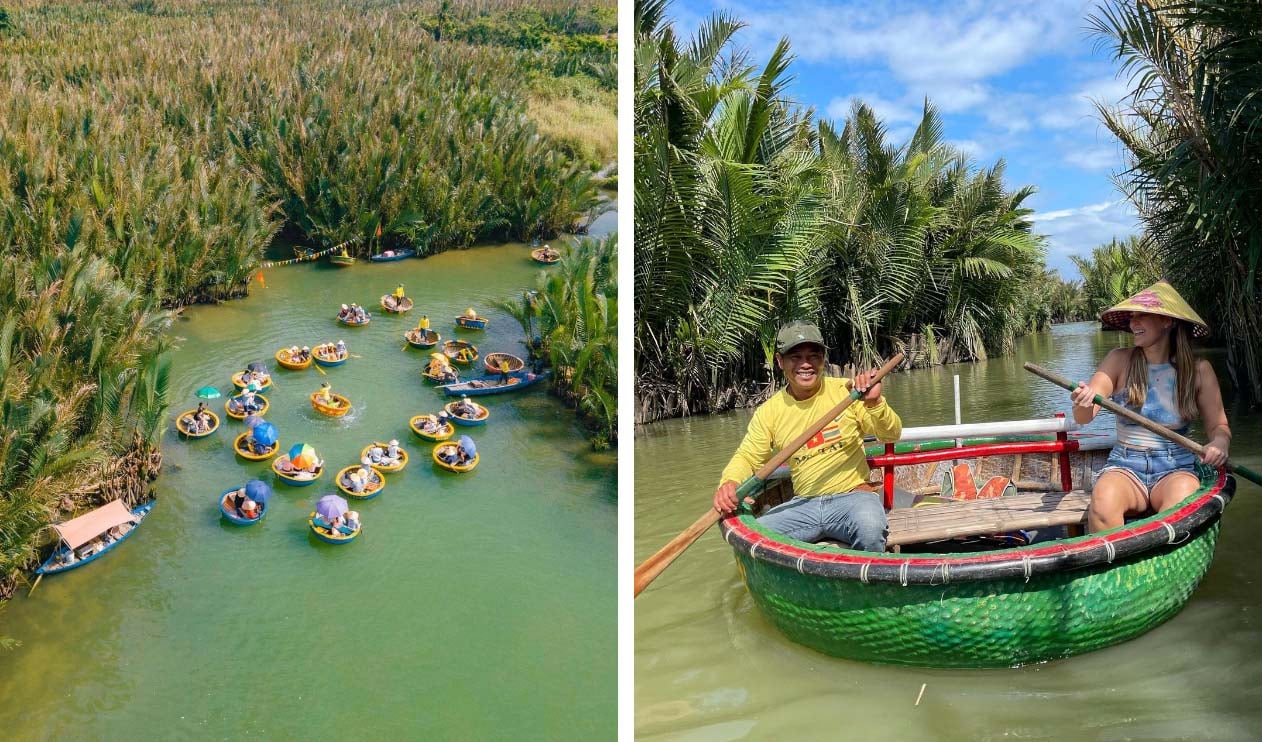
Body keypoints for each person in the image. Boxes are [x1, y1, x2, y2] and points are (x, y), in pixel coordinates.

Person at [712, 321, 902, 553]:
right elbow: (748, 457)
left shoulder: (849, 392)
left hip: (853, 498)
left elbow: (891, 433)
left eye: (814, 356)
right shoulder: (769, 411)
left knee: (871, 528)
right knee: (753, 538)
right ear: (780, 361)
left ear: (823, 359)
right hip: (804, 505)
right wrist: (729, 483)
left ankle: (870, 585)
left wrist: (874, 403)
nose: (806, 364)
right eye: (795, 357)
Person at [1069, 281, 1230, 532]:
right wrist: (1083, 400)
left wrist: (1220, 443)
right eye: (1132, 317)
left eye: (1142, 315)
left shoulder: (1199, 371)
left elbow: (1219, 426)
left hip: (1176, 465)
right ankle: (1113, 567)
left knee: (1181, 505)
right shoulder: (1118, 360)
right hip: (1125, 464)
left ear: (1168, 321)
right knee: (1102, 503)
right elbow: (1084, 417)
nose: (1133, 323)